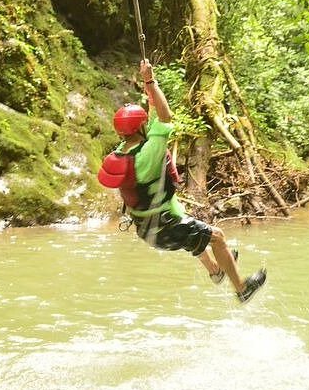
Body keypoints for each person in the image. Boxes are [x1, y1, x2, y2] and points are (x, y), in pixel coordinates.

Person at [98, 60, 267, 302]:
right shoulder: (150, 151)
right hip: (167, 227)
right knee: (217, 236)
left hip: (149, 230)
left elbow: (155, 116)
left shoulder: (121, 152)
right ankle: (242, 288)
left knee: (194, 232)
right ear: (143, 127)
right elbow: (164, 117)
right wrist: (149, 81)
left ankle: (216, 271)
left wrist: (150, 93)